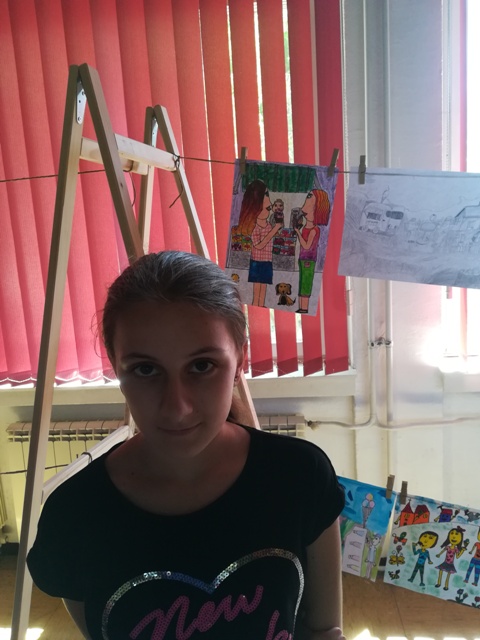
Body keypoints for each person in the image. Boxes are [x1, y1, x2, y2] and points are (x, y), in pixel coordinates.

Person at [27, 251, 345, 640]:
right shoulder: (74, 515)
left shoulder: (299, 477)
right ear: (115, 366)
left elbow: (325, 630)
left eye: (202, 366)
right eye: (146, 369)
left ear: (239, 360)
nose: (177, 408)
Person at [235, 179, 282, 307]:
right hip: (257, 262)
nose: (270, 203)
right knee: (257, 285)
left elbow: (269, 240)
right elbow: (259, 245)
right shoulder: (254, 228)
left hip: (267, 260)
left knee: (264, 284)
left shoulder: (268, 225)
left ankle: (261, 304)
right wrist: (274, 230)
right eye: (266, 195)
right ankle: (256, 303)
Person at [295, 189, 331, 314]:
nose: (306, 199)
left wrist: (298, 232)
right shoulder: (306, 227)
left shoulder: (314, 230)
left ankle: (304, 308)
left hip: (308, 261)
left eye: (309, 197)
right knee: (302, 283)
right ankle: (302, 307)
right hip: (303, 259)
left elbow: (306, 245)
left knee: (306, 284)